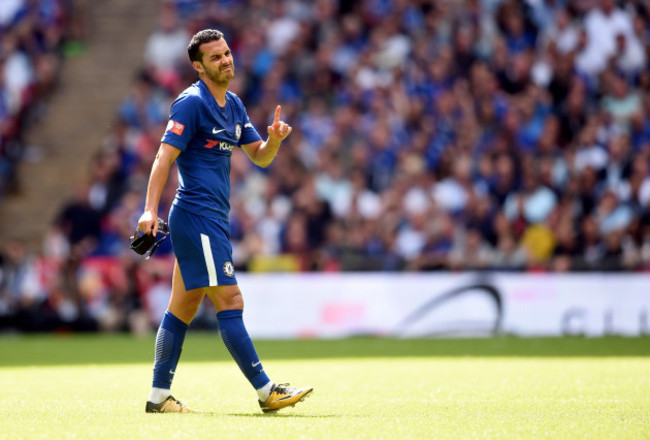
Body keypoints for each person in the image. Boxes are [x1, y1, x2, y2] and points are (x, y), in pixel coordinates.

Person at [137, 29, 312, 414]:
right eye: (215, 57)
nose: (226, 60)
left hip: (213, 219)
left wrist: (276, 140)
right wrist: (149, 209)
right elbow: (163, 158)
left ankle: (158, 397)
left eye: (227, 53)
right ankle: (268, 392)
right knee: (231, 299)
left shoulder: (233, 105)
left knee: (181, 308)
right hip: (196, 216)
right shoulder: (190, 103)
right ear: (198, 67)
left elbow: (260, 157)